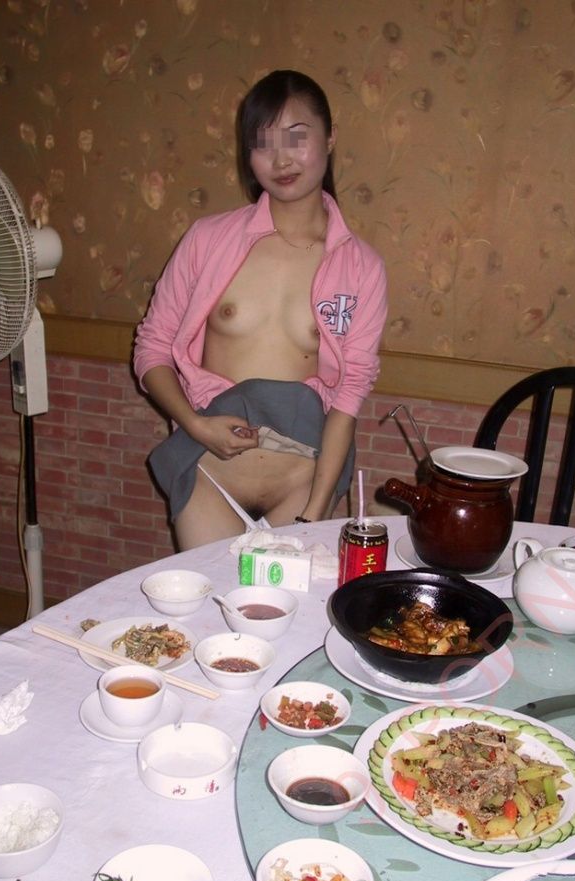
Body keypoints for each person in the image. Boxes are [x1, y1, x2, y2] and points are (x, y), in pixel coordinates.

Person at [133, 69, 388, 549]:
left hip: (301, 481)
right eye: (263, 142)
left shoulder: (362, 268)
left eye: (297, 136)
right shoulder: (208, 240)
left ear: (330, 137)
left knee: (288, 596)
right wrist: (195, 424)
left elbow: (349, 395)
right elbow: (152, 347)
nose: (281, 159)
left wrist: (313, 515)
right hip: (210, 473)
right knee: (210, 596)